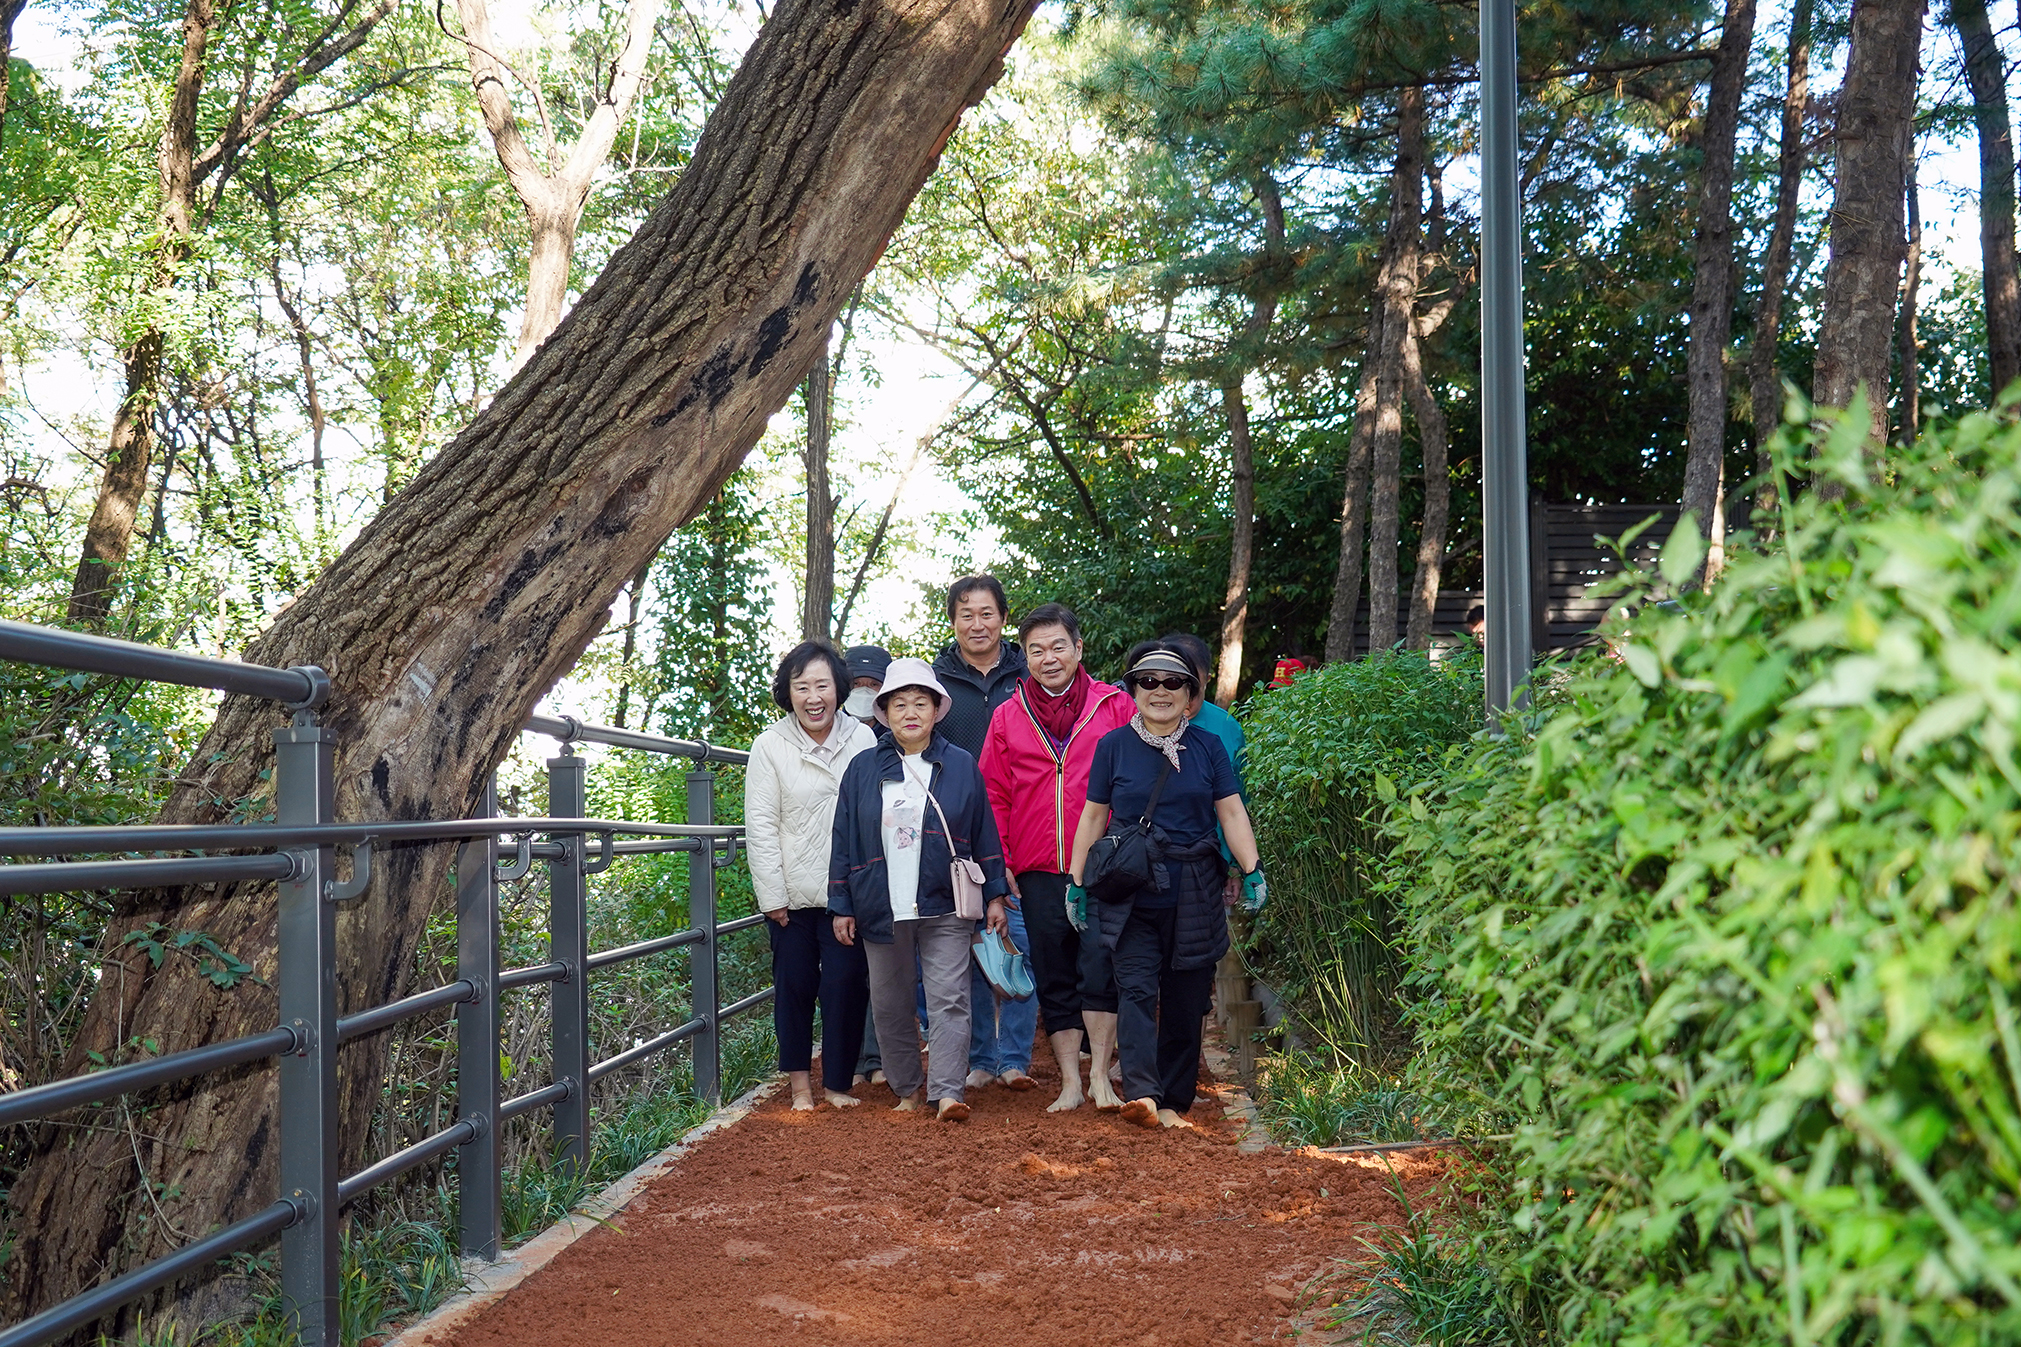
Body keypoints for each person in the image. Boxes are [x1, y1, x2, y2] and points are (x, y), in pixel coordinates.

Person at [1069, 642, 1267, 1131]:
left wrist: (1252, 867)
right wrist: (1076, 883)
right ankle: (1144, 1095)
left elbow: (1231, 810)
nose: (1160, 691)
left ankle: (1175, 1101)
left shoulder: (1208, 747)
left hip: (1195, 885)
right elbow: (1093, 815)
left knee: (1186, 993)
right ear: (1133, 690)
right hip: (1131, 886)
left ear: (1191, 693)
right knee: (1134, 988)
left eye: (1173, 682)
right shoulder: (1112, 746)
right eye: (1148, 682)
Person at [829, 657, 1009, 1122]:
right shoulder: (862, 769)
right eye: (900, 703)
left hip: (945, 901)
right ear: (884, 712)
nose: (911, 712)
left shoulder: (961, 764)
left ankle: (948, 1092)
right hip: (879, 904)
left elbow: (984, 831)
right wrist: (841, 903)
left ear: (936, 710)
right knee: (890, 1003)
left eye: (921, 703)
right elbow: (844, 840)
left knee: (951, 998)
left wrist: (993, 894)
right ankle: (908, 1088)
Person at [979, 602, 1133, 1111]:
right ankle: (1070, 1081)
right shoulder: (1007, 715)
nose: (1048, 658)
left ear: (1078, 648)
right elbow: (994, 794)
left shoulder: (1114, 707)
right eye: (1035, 650)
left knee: (1101, 966)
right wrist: (1000, 866)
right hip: (1036, 867)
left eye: (1058, 646)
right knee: (1054, 972)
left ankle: (1101, 1078)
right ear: (1023, 657)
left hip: (1103, 865)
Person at [744, 641, 878, 1111]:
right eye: (802, 687)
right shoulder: (770, 746)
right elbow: (759, 826)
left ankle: (838, 1084)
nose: (813, 696)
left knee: (845, 985)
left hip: (847, 893)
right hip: (792, 895)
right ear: (789, 693)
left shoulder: (862, 739)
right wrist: (771, 895)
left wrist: (866, 889)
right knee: (795, 986)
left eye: (822, 684)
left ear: (838, 689)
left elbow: (872, 818)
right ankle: (800, 1085)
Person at [931, 575, 1027, 757]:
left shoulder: (1030, 675)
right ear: (952, 621)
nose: (977, 626)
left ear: (1003, 617)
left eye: (986, 615)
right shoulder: (933, 683)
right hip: (955, 785)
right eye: (967, 616)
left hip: (1022, 785)